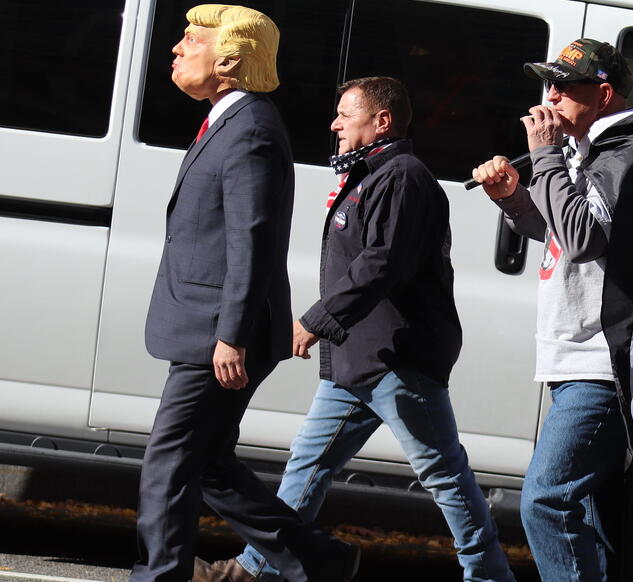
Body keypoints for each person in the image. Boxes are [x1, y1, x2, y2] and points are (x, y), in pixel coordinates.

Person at [195, 76, 514, 582]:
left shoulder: (403, 177)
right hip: (357, 356)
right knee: (307, 464)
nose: (335, 124)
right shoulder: (371, 174)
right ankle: (256, 570)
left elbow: (381, 264)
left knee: (443, 475)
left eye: (346, 114)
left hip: (398, 357)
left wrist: (316, 321)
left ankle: (489, 576)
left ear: (382, 121)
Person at [134, 4, 358, 582]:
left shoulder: (250, 128)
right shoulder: (229, 121)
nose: (177, 48)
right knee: (206, 464)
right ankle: (321, 561)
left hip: (219, 333)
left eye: (192, 39)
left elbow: (251, 240)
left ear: (229, 61)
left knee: (168, 465)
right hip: (211, 327)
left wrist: (230, 335)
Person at [471, 39, 633, 581]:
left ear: (604, 95)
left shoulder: (631, 150)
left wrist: (544, 155)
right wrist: (514, 198)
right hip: (574, 359)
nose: (551, 96)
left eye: (565, 87)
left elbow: (585, 237)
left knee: (546, 501)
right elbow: (558, 235)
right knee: (595, 517)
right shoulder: (587, 151)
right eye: (549, 84)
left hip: (604, 362)